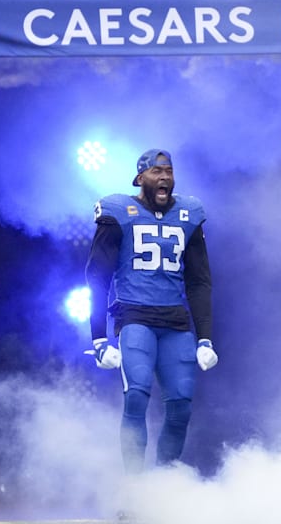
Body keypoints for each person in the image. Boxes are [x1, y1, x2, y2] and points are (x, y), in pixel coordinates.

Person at [85, 149, 219, 476]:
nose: (164, 178)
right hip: (135, 318)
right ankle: (135, 492)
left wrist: (205, 339)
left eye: (169, 172)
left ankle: (165, 489)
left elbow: (199, 280)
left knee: (181, 406)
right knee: (137, 397)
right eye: (157, 172)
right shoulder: (120, 210)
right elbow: (97, 274)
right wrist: (99, 338)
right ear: (139, 178)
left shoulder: (188, 213)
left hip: (175, 321)